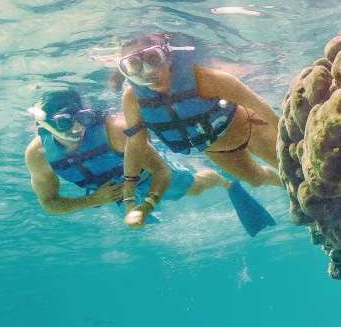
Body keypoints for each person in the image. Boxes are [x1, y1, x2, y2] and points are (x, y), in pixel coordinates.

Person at [23, 87, 270, 233]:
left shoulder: (116, 131)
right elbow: (49, 203)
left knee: (192, 189)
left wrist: (146, 203)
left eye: (83, 118)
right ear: (43, 126)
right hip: (110, 189)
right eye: (65, 122)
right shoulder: (38, 155)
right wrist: (94, 200)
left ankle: (225, 180)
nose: (77, 128)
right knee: (146, 227)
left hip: (146, 173)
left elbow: (161, 171)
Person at [114, 33, 282, 231]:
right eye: (134, 65)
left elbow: (260, 106)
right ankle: (292, 189)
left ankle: (304, 187)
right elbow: (136, 145)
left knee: (290, 166)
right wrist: (129, 198)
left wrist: (293, 139)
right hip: (216, 148)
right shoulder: (133, 98)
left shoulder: (204, 78)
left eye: (153, 58)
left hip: (251, 127)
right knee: (256, 179)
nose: (147, 71)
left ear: (168, 56)